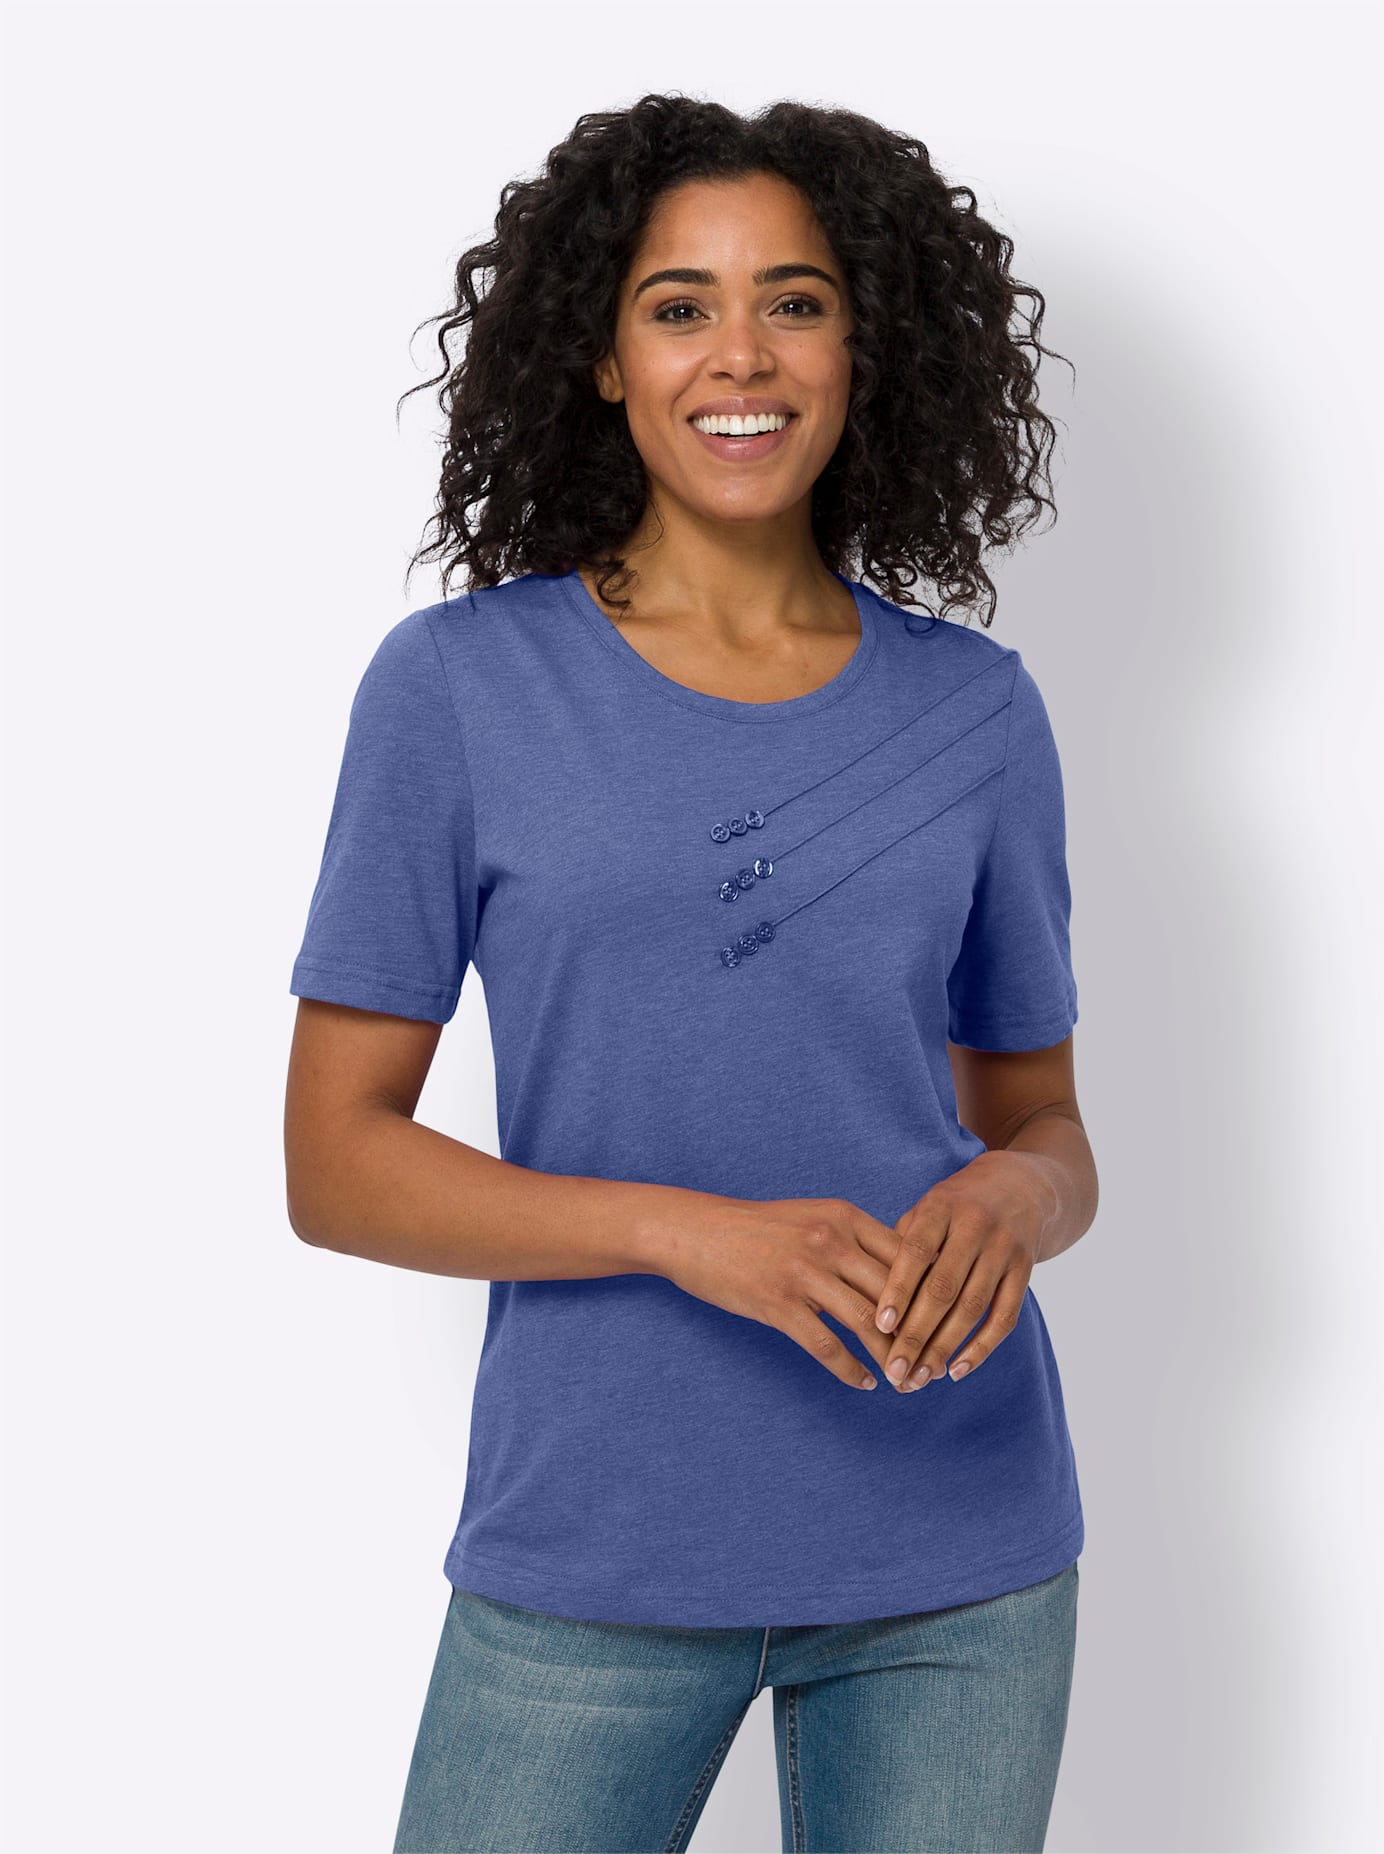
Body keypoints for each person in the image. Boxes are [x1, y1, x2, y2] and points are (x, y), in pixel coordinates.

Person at [284, 92, 1099, 1854]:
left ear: (865, 348)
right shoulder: (459, 690)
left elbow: (1045, 1124)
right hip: (600, 1537)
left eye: (797, 301)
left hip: (959, 1546)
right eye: (681, 306)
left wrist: (1015, 1203)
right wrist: (690, 1233)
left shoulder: (976, 711)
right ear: (603, 358)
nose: (743, 353)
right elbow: (334, 1161)